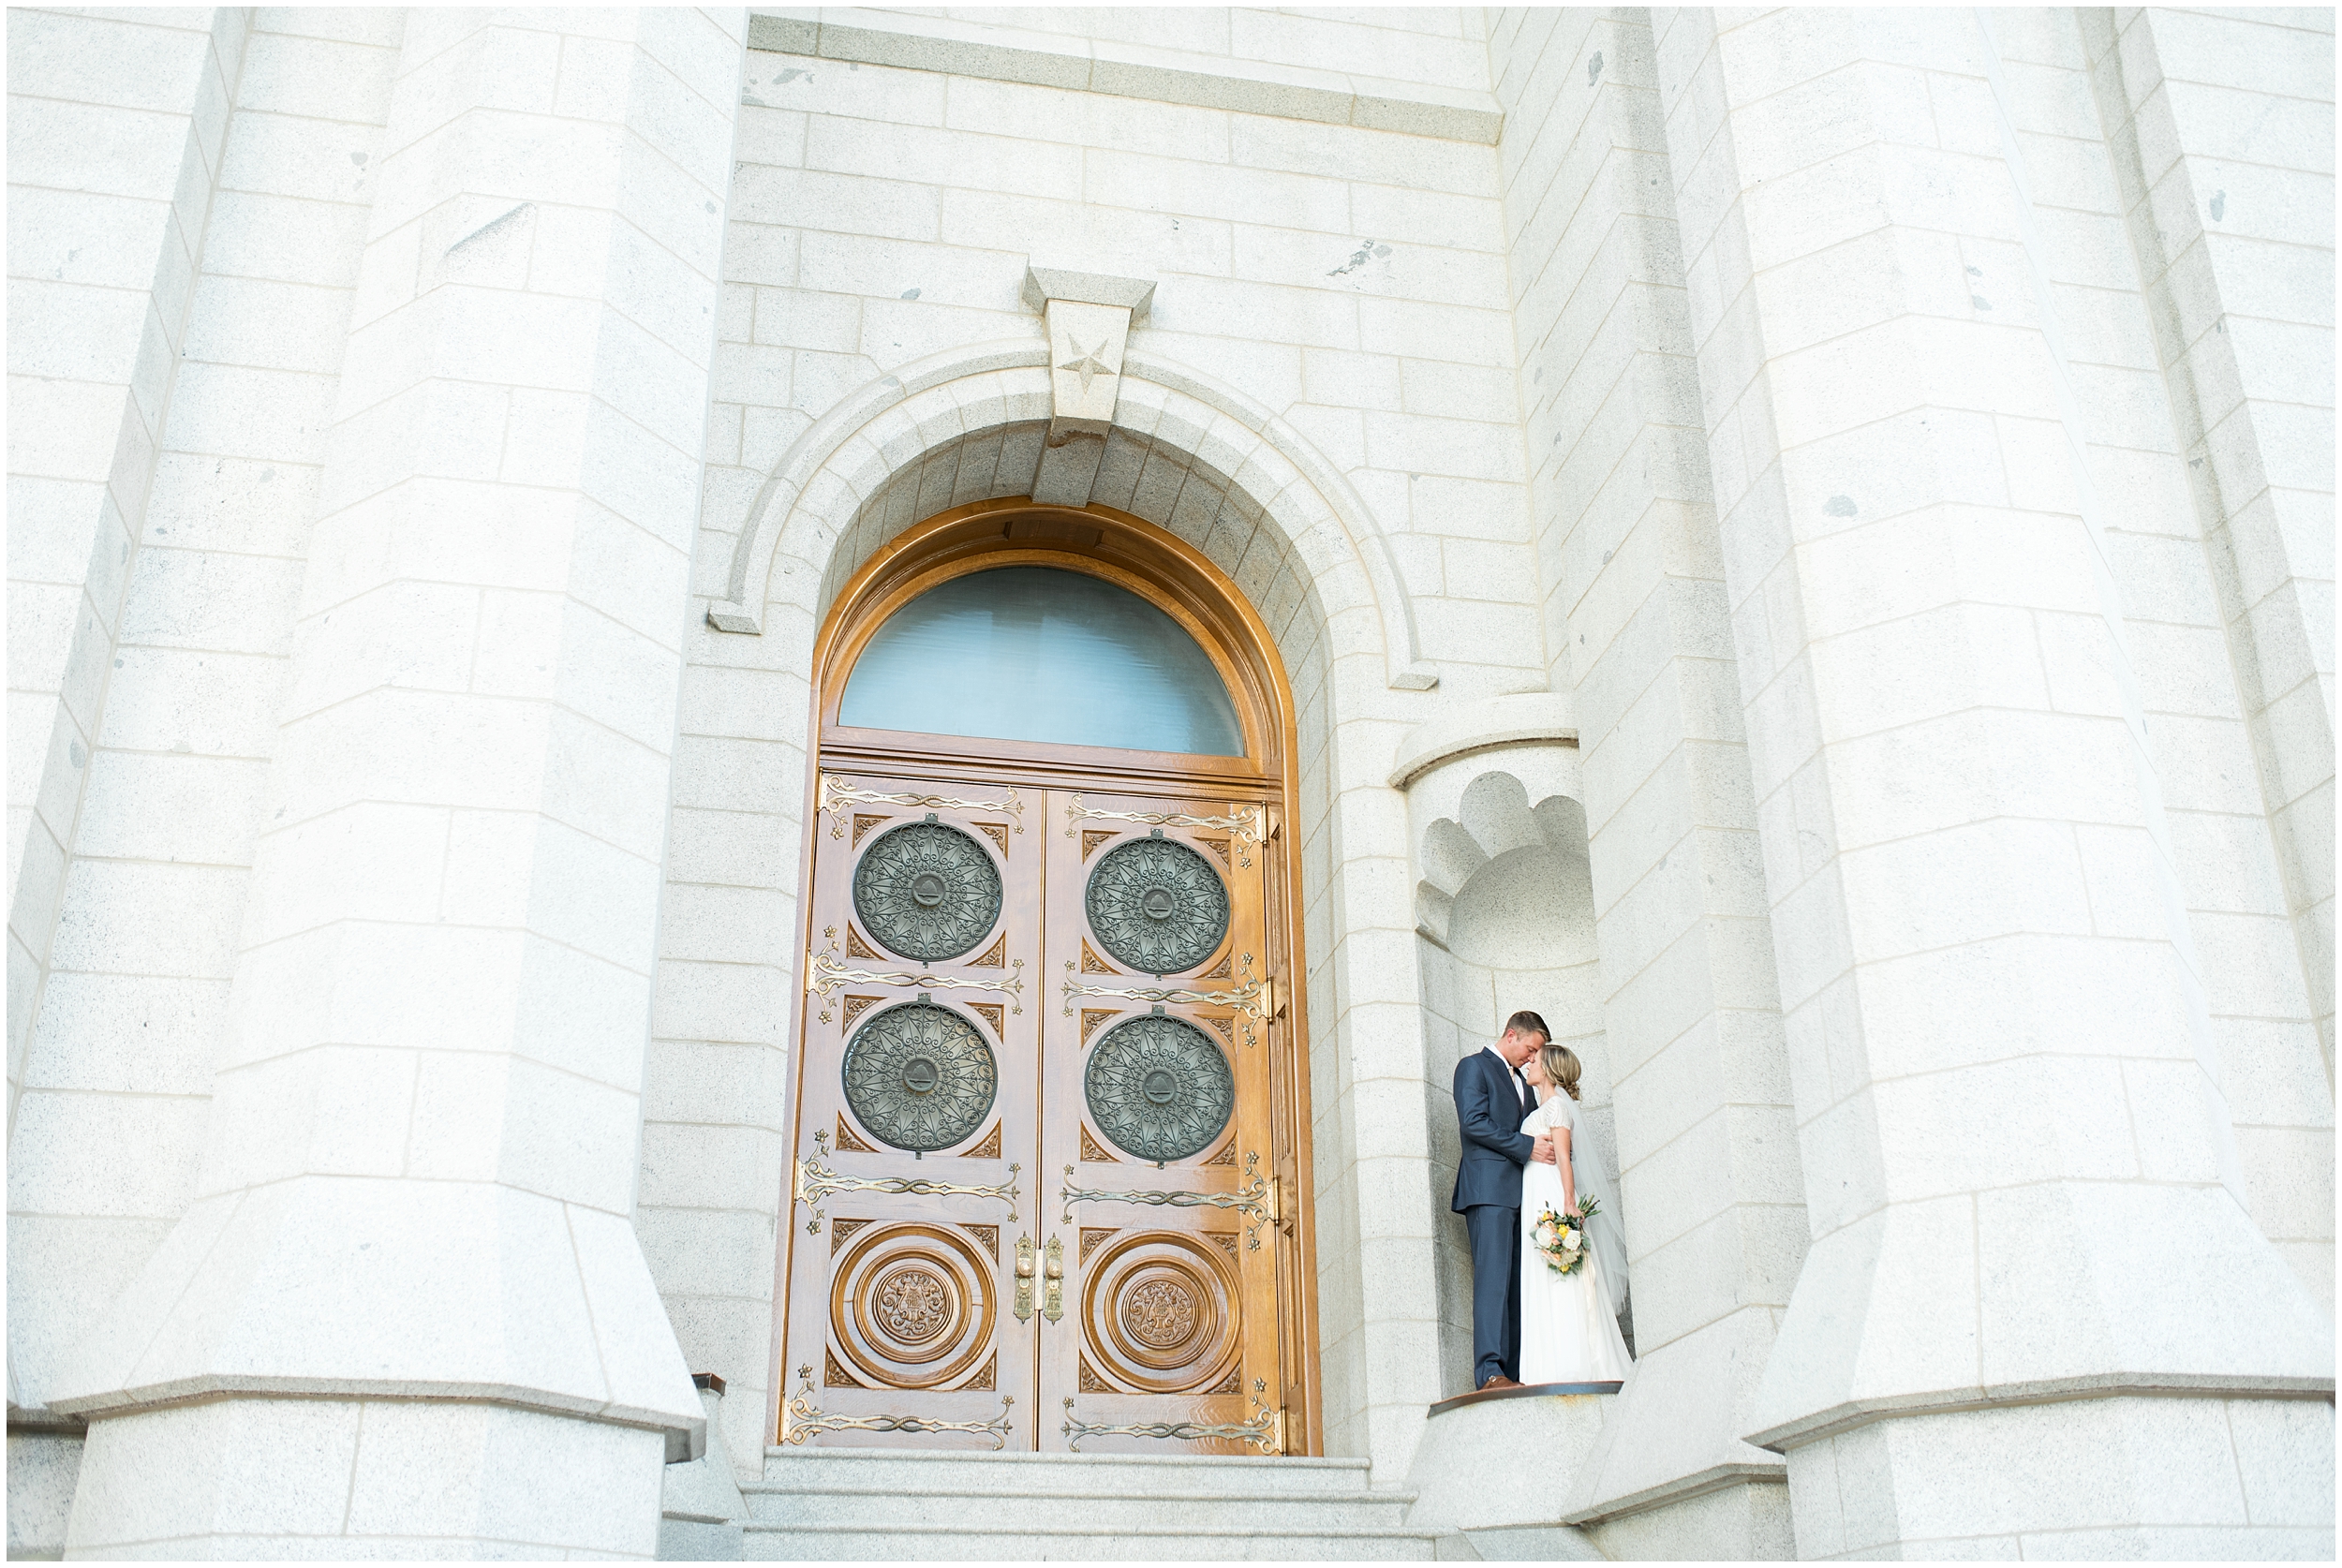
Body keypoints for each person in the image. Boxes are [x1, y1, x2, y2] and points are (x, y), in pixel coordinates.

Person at [1450, 1011, 1557, 1391]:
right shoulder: (1473, 1067)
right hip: (1488, 1191)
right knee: (1493, 1281)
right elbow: (1473, 1122)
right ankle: (1490, 1372)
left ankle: (1513, 1371)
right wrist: (1529, 1147)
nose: (1532, 1058)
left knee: (1516, 1285)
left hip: (1521, 1196)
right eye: (1530, 1049)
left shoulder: (1523, 1084)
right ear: (1511, 1035)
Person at [1518, 1041, 1633, 1383]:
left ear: (1550, 1069)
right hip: (1535, 1192)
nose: (1529, 1064)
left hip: (1550, 1194)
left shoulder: (1555, 1109)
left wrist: (1568, 1204)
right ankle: (1547, 1361)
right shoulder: (1542, 1109)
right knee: (1543, 1272)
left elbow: (1564, 1158)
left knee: (1561, 1275)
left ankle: (1573, 1360)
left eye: (1535, 1060)